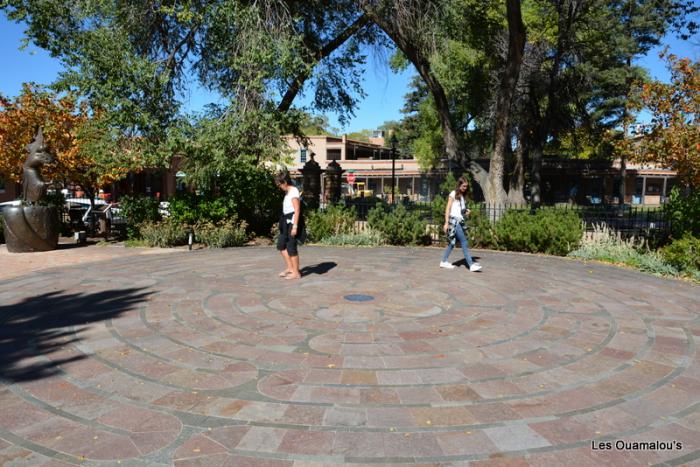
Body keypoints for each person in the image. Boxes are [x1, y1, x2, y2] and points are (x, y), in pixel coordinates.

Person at [440, 176, 482, 272]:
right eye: (463, 186)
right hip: (454, 221)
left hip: (459, 221)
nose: (465, 188)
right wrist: (446, 223)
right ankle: (471, 265)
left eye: (466, 186)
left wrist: (467, 212)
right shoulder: (453, 194)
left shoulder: (462, 197)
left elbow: (461, 211)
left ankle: (443, 261)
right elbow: (448, 208)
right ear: (459, 185)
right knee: (464, 242)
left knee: (452, 243)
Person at [276, 172, 303, 280]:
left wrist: (295, 226)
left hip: (292, 221)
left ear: (285, 182)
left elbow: (297, 209)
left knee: (291, 247)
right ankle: (290, 268)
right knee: (281, 245)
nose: (279, 187)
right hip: (285, 221)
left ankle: (296, 273)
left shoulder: (294, 191)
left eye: (280, 184)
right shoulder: (288, 192)